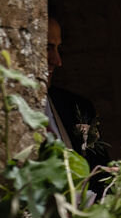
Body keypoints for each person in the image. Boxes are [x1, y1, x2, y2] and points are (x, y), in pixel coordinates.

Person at [45, 14, 109, 168]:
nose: (57, 61)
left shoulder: (79, 107)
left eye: (58, 48)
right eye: (48, 48)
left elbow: (101, 172)